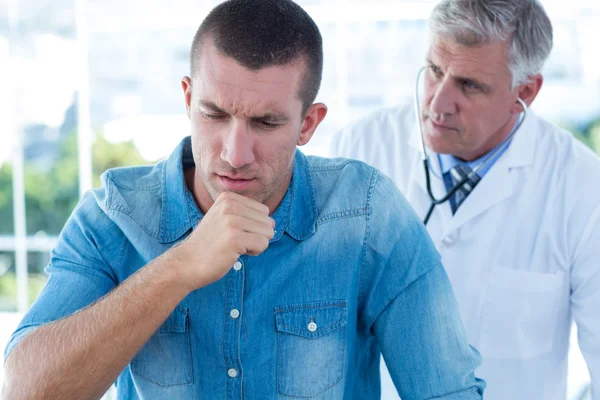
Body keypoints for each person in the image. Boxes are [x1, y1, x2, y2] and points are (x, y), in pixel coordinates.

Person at [2, 1, 485, 399]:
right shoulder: (112, 217)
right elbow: (26, 390)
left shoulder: (367, 216)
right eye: (214, 114)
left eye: (266, 123)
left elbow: (449, 391)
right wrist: (180, 265)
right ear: (188, 98)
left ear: (308, 124)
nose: (234, 155)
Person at [330, 0, 600, 399]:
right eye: (435, 71)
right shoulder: (360, 149)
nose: (437, 104)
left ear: (524, 91)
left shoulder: (581, 185)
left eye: (469, 85)